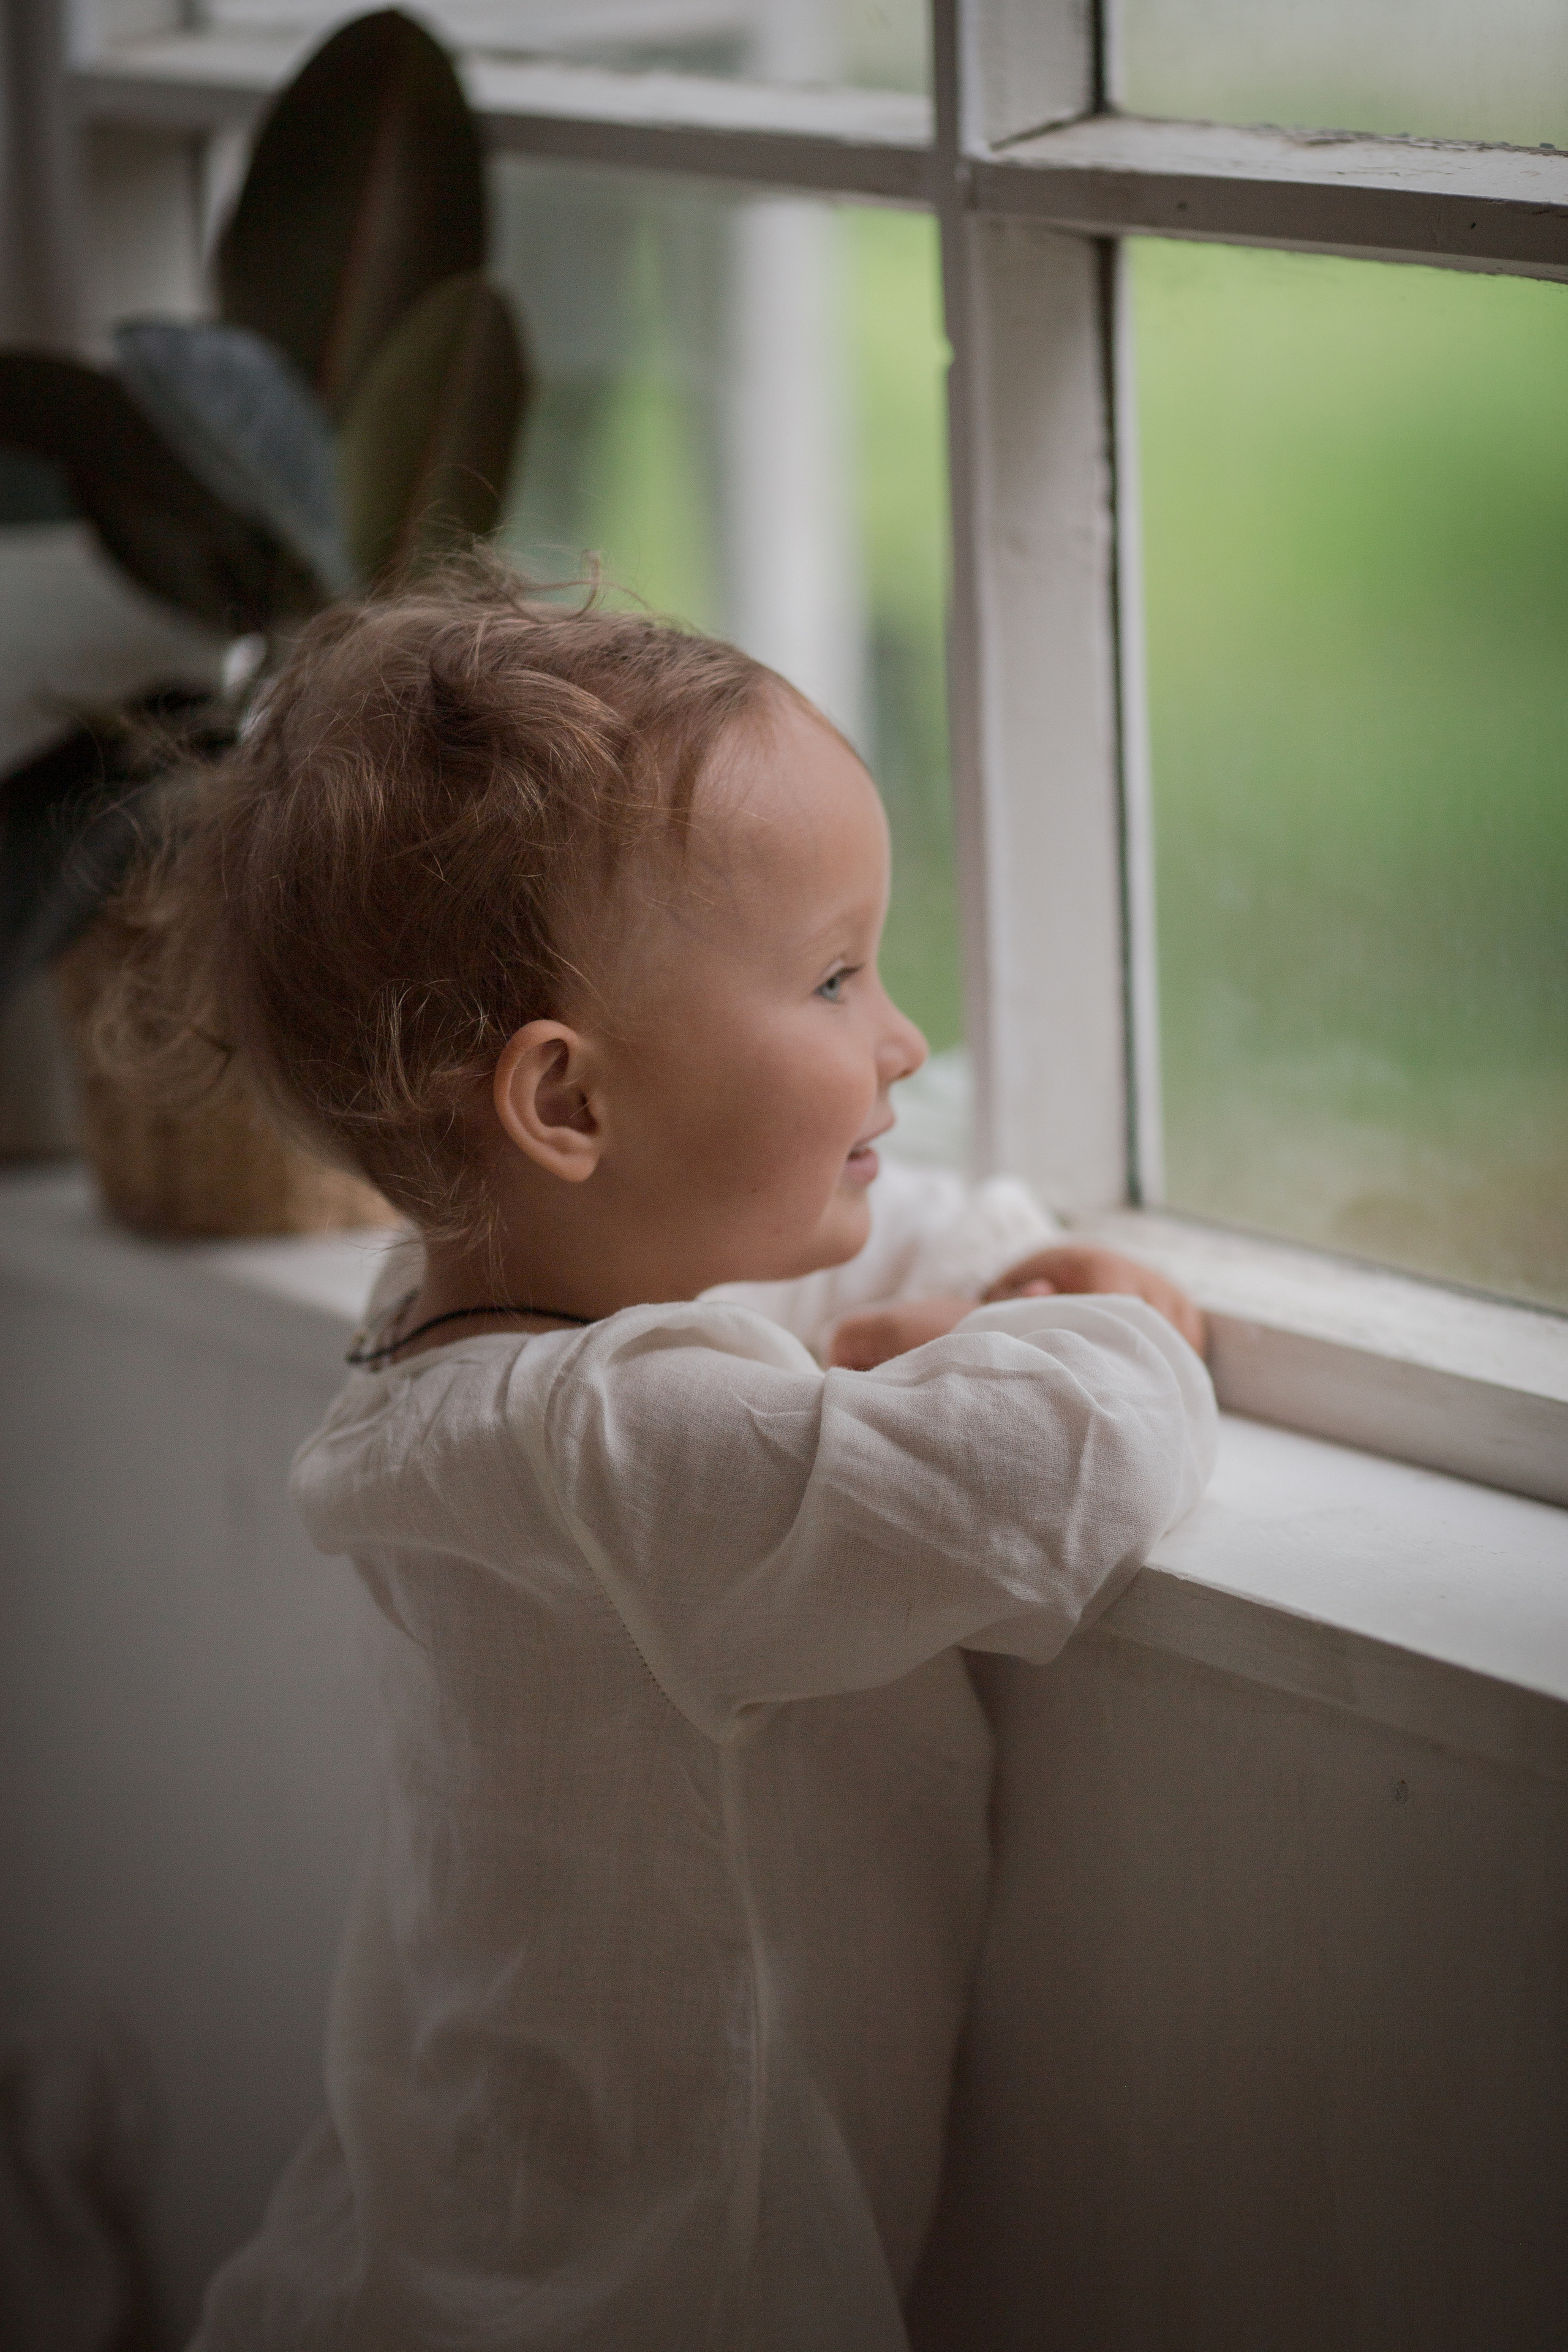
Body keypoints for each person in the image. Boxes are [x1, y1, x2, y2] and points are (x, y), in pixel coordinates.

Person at [154, 565, 1215, 2350]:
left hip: (452, 2244)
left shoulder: (472, 1306)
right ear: (565, 1103)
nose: (904, 1037)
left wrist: (953, 1284)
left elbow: (841, 1242)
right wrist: (1121, 1309)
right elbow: (1059, 1469)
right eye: (832, 977)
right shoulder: (617, 1458)